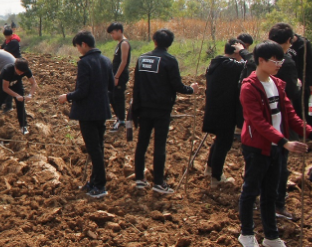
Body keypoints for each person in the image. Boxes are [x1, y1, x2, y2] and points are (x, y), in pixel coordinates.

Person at [237, 40, 312, 247]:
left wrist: (307, 130)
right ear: (261, 61)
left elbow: (290, 115)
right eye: (275, 60)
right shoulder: (249, 87)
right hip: (257, 147)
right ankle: (247, 234)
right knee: (250, 191)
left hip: (276, 149)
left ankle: (271, 236)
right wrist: (284, 142)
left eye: (281, 59)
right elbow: (258, 123)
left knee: (270, 192)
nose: (280, 64)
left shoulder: (277, 84)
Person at [132, 29, 199, 194]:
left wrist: (134, 109)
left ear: (154, 41)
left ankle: (140, 178)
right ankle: (158, 183)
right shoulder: (170, 60)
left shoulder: (142, 59)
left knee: (141, 144)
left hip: (143, 108)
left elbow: (136, 86)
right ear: (169, 43)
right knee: (159, 146)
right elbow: (177, 86)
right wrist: (192, 90)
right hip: (162, 110)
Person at [58, 31, 114, 198]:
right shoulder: (105, 60)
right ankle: (93, 182)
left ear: (83, 44)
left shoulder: (84, 63)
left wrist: (66, 97)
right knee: (98, 148)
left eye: (77, 46)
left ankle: (100, 186)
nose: (78, 50)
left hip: (88, 113)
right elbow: (111, 85)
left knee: (94, 149)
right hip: (101, 110)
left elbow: (82, 91)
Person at [203, 39, 253, 187]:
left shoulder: (218, 62)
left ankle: (210, 169)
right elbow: (253, 63)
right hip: (225, 110)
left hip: (216, 108)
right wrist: (243, 52)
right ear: (235, 52)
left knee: (220, 140)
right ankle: (216, 178)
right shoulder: (229, 65)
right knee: (224, 143)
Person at [270, 23, 302, 219]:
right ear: (289, 41)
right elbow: (292, 94)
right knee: (281, 162)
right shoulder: (286, 62)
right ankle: (278, 203)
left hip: (264, 121)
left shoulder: (259, 57)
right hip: (281, 120)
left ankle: (267, 198)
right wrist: (297, 86)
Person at [0, 51, 37, 133]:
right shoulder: (8, 70)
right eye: (20, 72)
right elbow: (5, 88)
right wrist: (16, 95)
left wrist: (30, 95)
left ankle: (23, 126)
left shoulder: (25, 70)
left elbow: (33, 83)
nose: (22, 74)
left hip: (16, 84)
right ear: (15, 67)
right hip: (3, 86)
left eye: (23, 72)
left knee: (20, 105)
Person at [107, 22, 131, 131]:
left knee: (118, 97)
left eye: (113, 33)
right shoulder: (119, 43)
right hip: (115, 75)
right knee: (113, 97)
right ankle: (118, 118)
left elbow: (124, 62)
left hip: (120, 76)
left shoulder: (124, 43)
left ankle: (121, 120)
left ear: (119, 31)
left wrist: (116, 77)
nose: (112, 35)